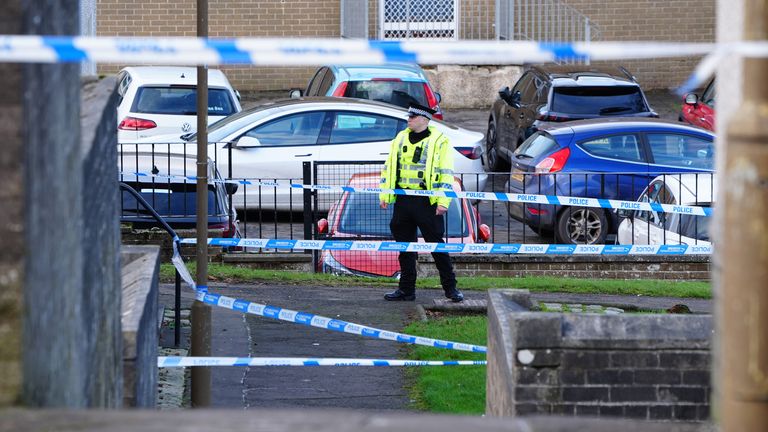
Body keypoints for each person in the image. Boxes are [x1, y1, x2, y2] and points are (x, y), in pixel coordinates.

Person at [379, 103, 464, 303]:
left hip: (427, 202)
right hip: (403, 200)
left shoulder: (439, 142)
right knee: (405, 248)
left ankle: (451, 289)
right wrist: (384, 194)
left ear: (424, 119)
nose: (408, 119)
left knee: (437, 247)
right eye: (409, 116)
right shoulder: (400, 138)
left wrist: (443, 202)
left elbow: (446, 174)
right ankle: (406, 290)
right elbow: (389, 168)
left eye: (413, 116)